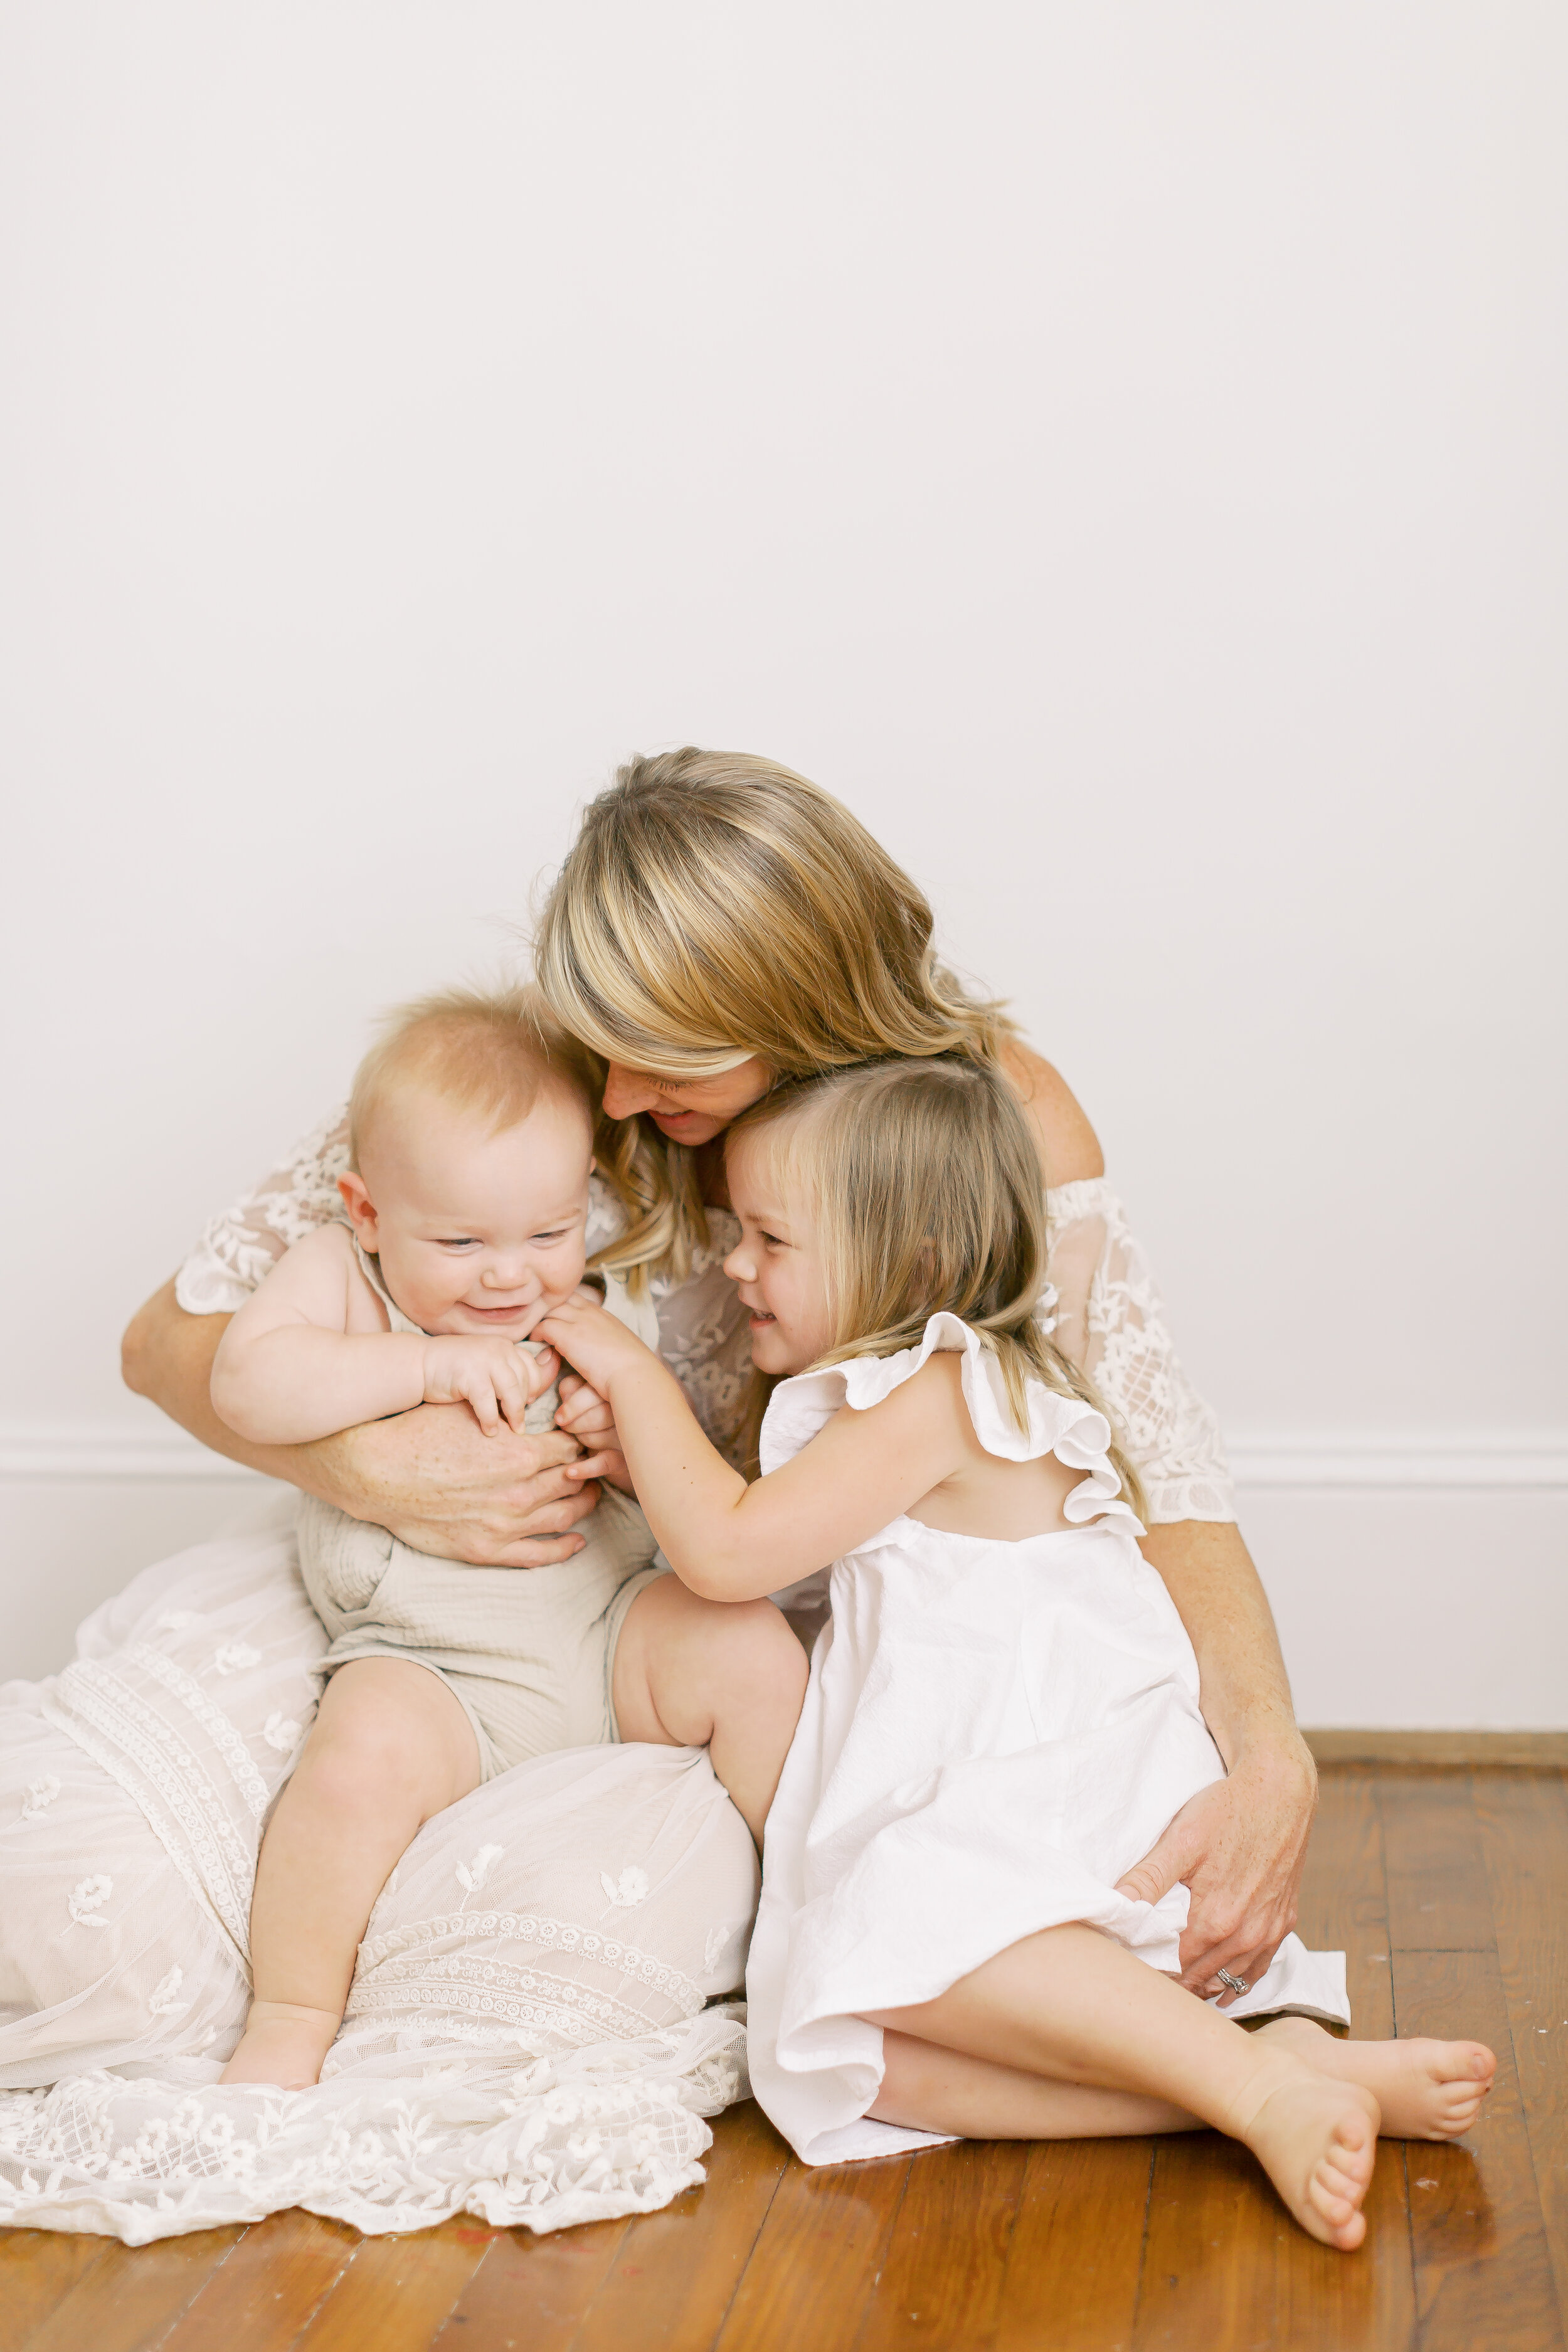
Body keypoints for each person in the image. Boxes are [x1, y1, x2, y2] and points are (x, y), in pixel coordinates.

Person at [120, 746, 1312, 2057]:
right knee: (118, 1893)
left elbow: (1154, 1469)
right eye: (604, 1051)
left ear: (798, 1013)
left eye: (661, 1063)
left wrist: (1266, 1751)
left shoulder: (988, 1122)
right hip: (444, 1604)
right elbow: (171, 1340)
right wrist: (383, 1474)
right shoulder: (548, 1066)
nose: (615, 1097)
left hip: (730, 1644)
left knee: (615, 1954)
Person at [534, 1057, 1496, 2252]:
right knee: (843, 2055)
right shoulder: (912, 1391)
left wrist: (631, 1380)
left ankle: (1255, 2089)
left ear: (917, 1263)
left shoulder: (944, 1387)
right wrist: (646, 1473)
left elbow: (730, 1554)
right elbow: (767, 1539)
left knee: (883, 1926)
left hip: (1052, 1792)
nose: (737, 1265)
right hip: (993, 1789)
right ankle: (1263, 2081)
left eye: (771, 1237)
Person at [209, 987, 806, 2087]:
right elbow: (246, 1382)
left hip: (610, 1628)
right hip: (438, 1667)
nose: (509, 1273)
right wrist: (425, 1367)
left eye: (549, 1231)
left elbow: (682, 1491)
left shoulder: (570, 1304)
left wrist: (619, 1435)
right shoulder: (347, 1280)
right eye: (463, 1240)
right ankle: (291, 2015)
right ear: (370, 1210)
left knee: (755, 1650)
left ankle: (820, 1909)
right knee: (348, 1773)